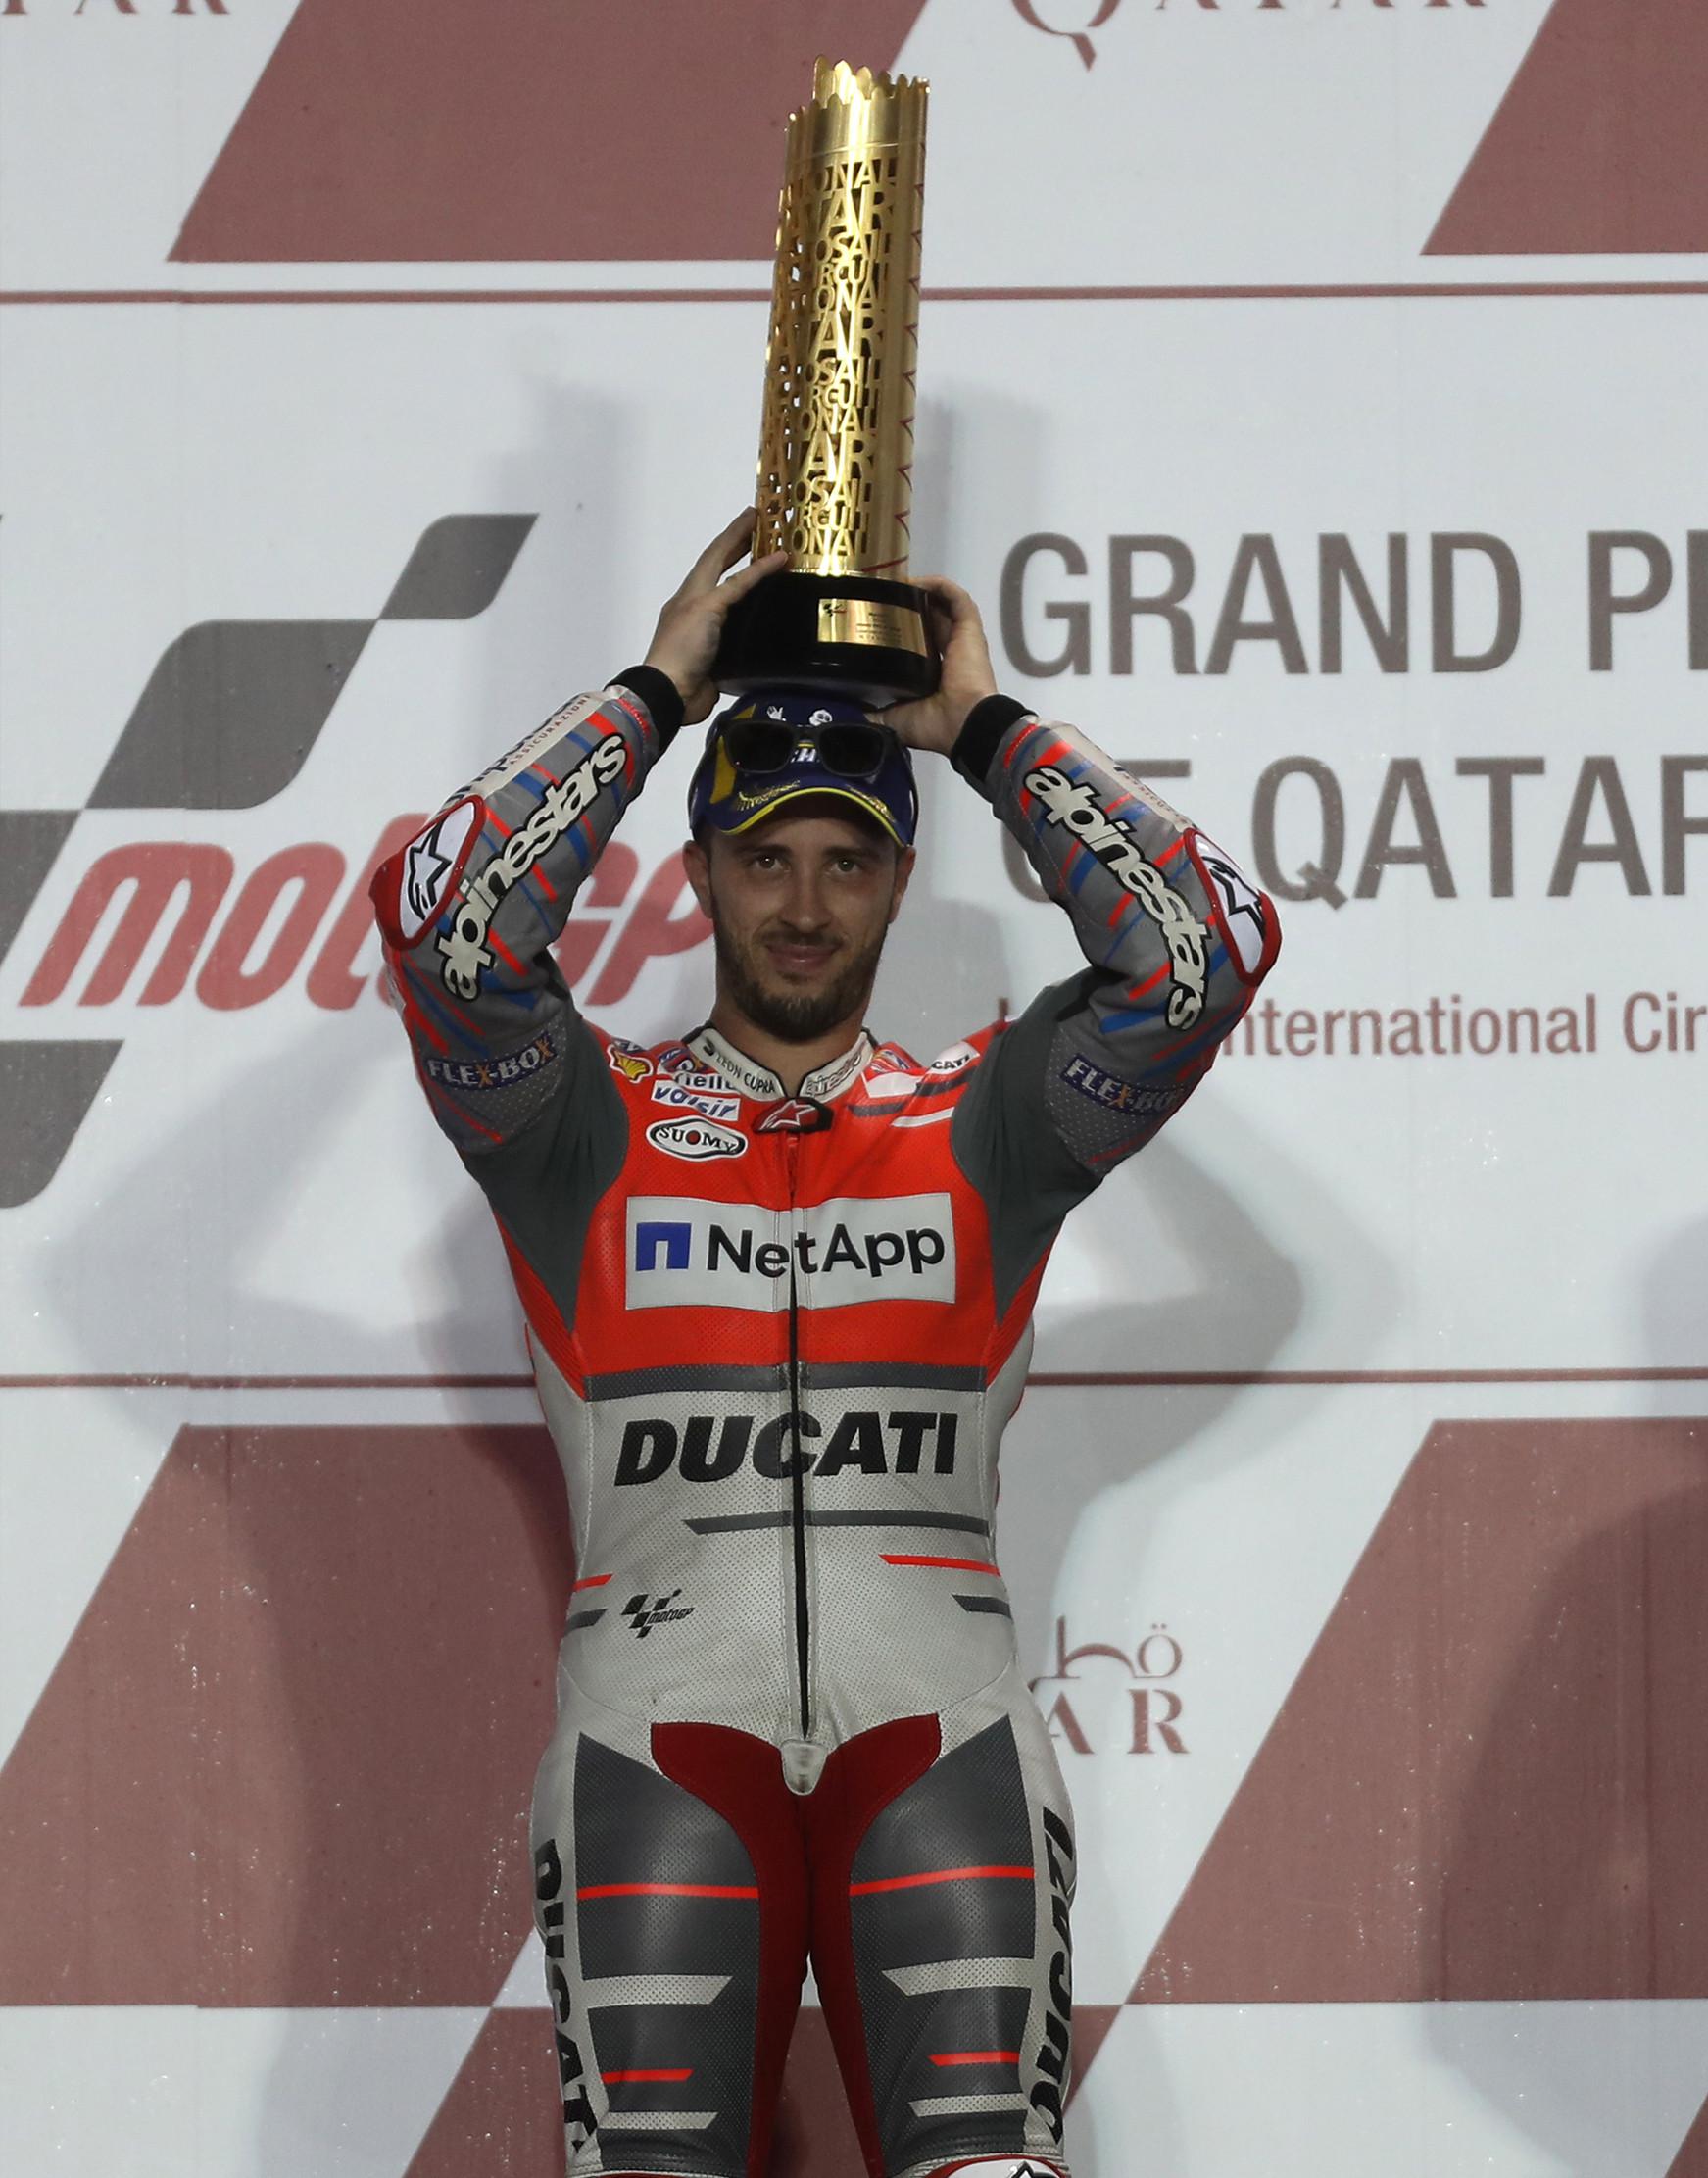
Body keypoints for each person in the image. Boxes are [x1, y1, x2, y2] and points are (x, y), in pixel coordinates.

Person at [371, 511, 1280, 2178]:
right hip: (656, 1737)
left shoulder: (989, 1119)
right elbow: (448, 938)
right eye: (766, 854)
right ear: (701, 866)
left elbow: (1202, 954)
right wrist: (655, 691)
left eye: (847, 859)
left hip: (940, 1736)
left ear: (897, 882)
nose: (803, 903)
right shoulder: (576, 1125)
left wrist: (989, 732)